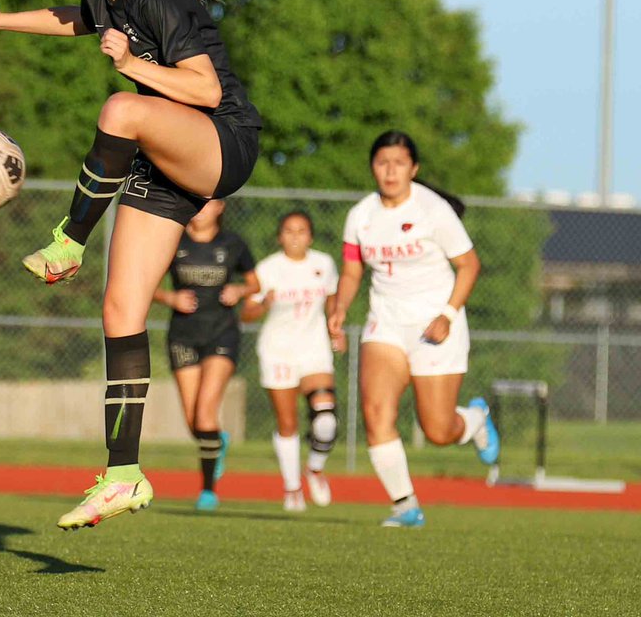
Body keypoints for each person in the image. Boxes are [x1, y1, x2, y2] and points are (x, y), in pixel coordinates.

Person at [0, 0, 262, 530]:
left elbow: (207, 89)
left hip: (223, 141)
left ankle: (69, 240)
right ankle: (123, 474)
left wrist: (133, 62)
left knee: (121, 107)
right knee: (121, 308)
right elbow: (71, 18)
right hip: (167, 157)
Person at [326, 130, 499, 528]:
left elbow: (470, 266)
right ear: (373, 166)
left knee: (438, 429)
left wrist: (449, 315)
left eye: (399, 163)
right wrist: (338, 309)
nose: (390, 171)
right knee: (375, 413)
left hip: (435, 324)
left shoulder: (434, 210)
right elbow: (352, 271)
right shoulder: (361, 215)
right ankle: (406, 507)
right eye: (382, 162)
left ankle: (474, 420)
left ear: (414, 169)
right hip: (384, 322)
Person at [152, 199, 258, 512]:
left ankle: (208, 491)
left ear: (220, 207)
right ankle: (216, 441)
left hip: (221, 333)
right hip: (183, 336)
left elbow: (255, 284)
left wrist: (239, 291)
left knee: (205, 413)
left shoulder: (233, 243)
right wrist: (170, 297)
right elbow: (147, 283)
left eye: (207, 203)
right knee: (193, 422)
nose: (199, 208)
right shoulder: (173, 241)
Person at [242, 211, 344, 512]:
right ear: (280, 236)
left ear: (310, 236)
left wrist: (336, 327)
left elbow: (333, 300)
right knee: (288, 424)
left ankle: (314, 469)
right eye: (289, 230)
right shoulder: (269, 268)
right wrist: (263, 304)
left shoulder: (323, 264)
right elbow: (247, 312)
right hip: (278, 351)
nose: (295, 236)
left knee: (326, 419)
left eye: (301, 231)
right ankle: (292, 489)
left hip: (314, 349)